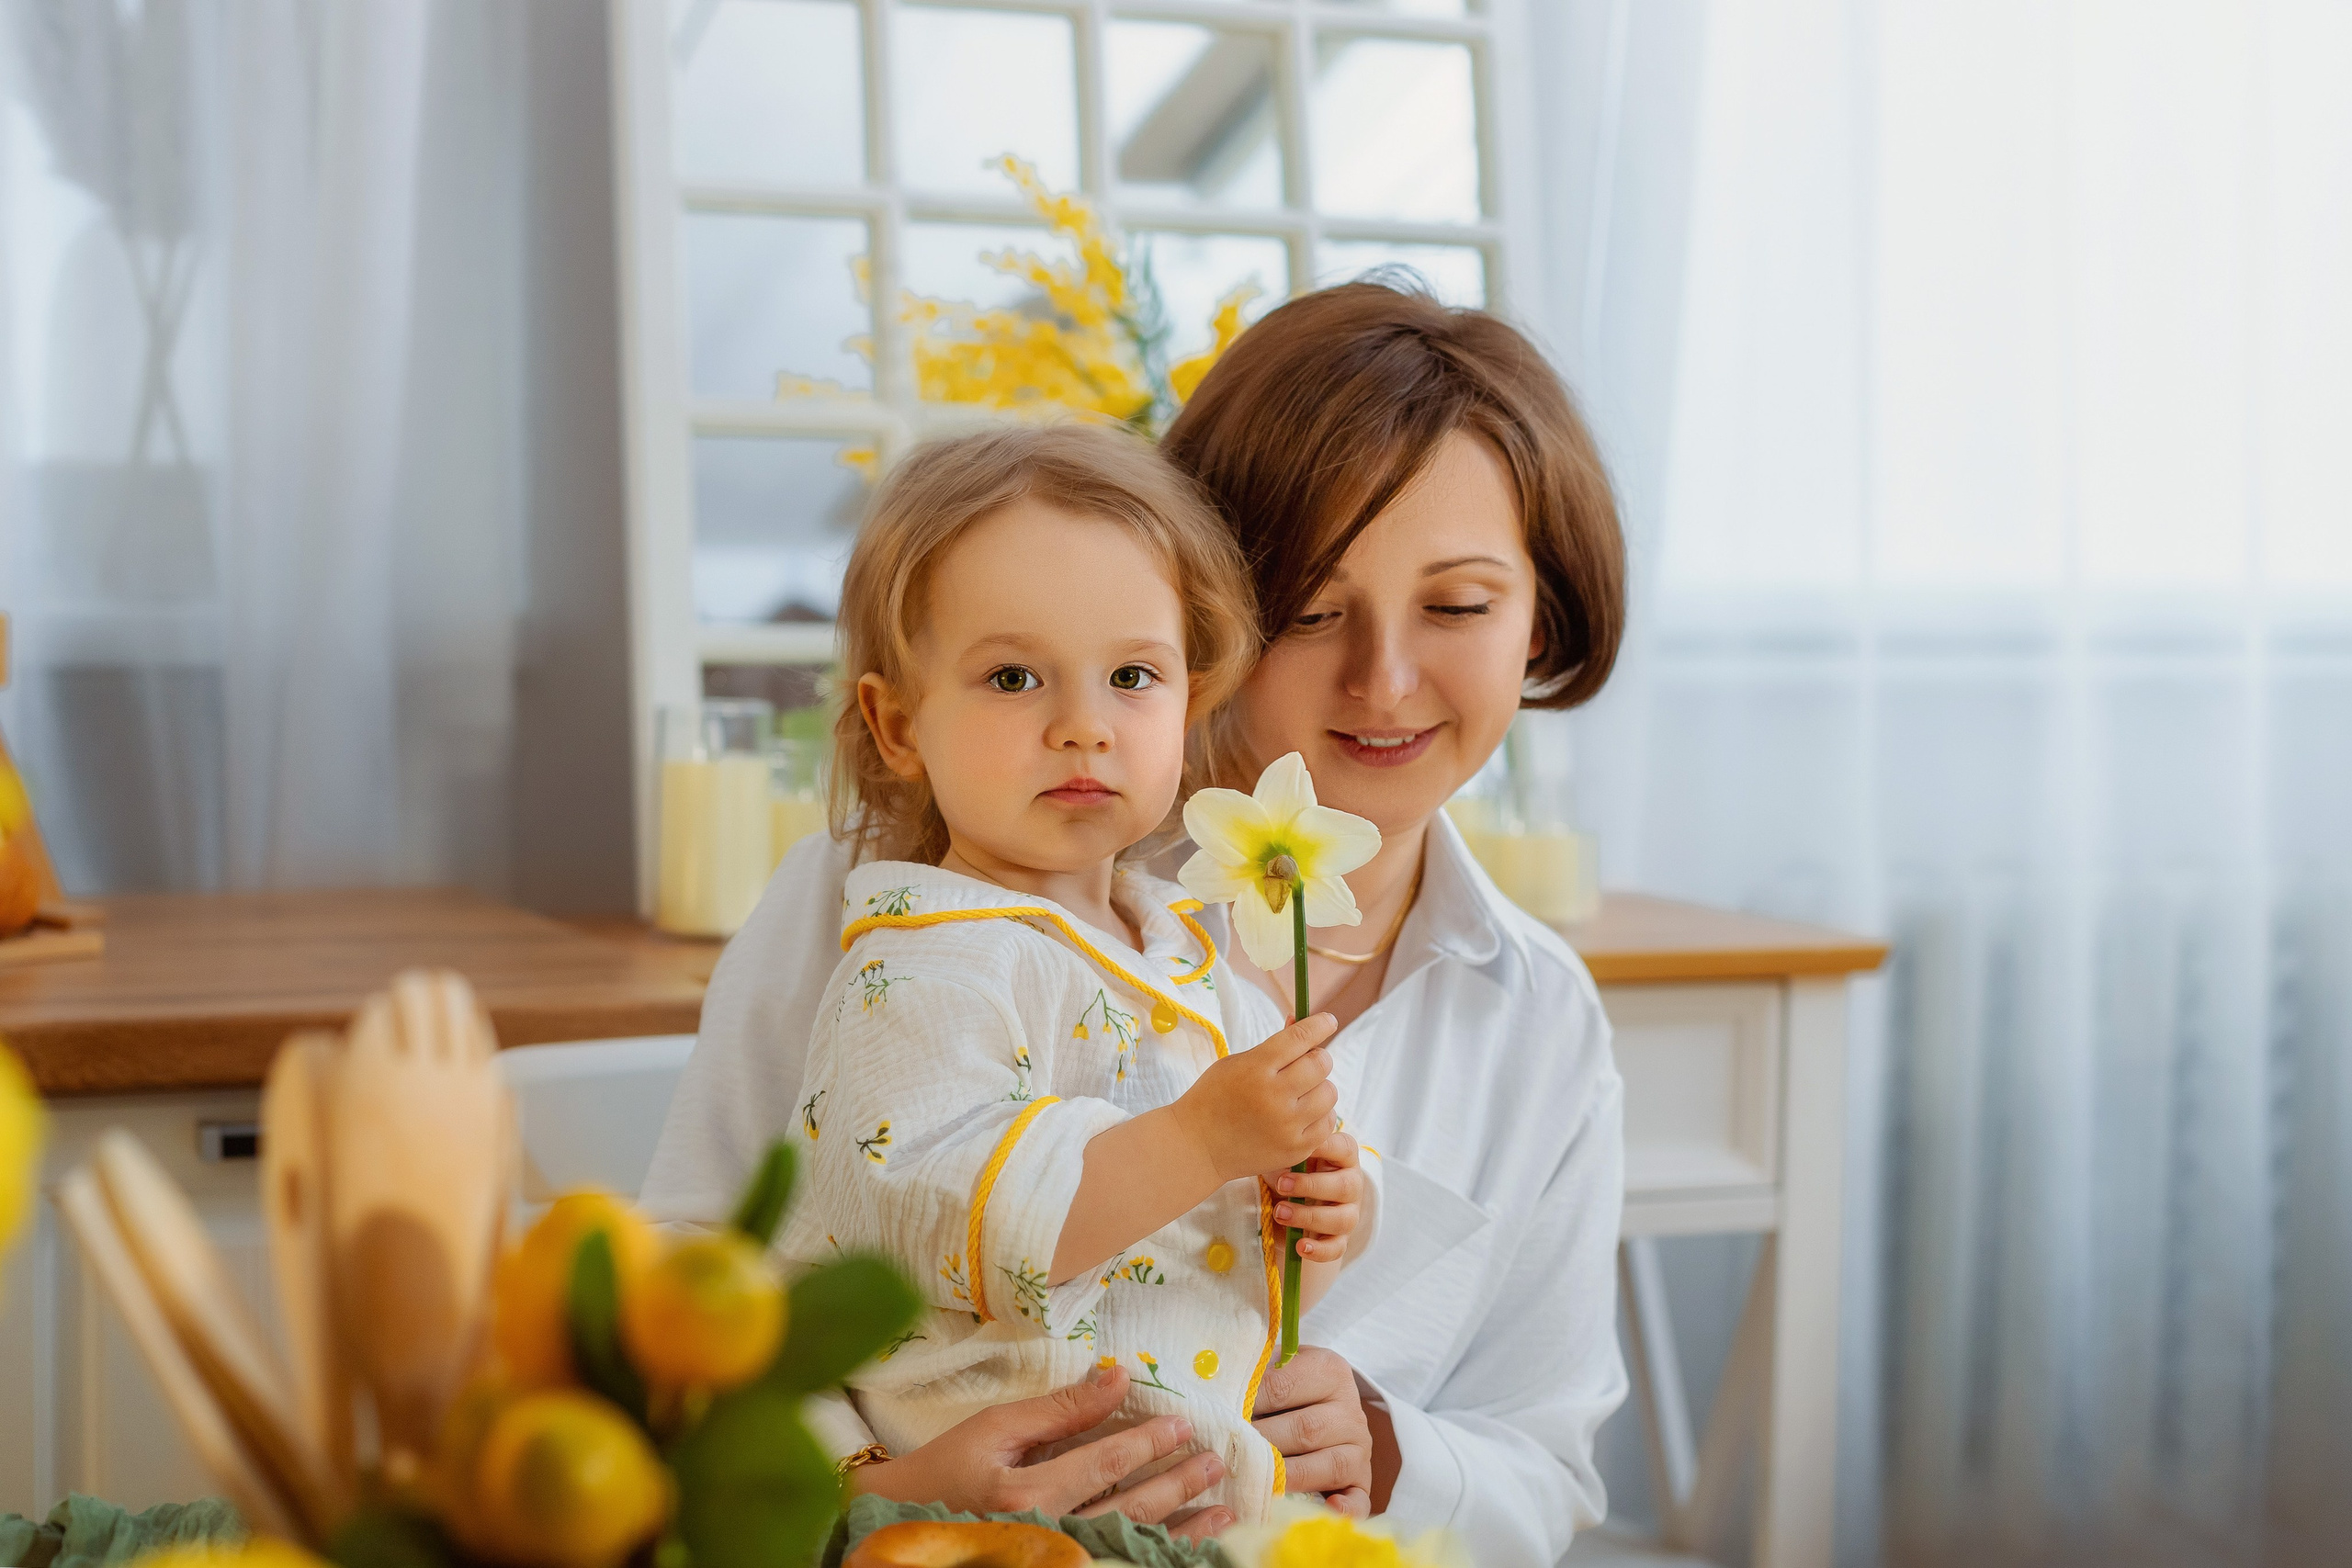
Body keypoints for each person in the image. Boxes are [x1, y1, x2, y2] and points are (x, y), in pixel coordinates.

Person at [643, 280, 1630, 1567]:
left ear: (1538, 619)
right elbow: (685, 1279)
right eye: (1312, 610)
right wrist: (875, 1481)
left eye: (1458, 605)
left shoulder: (1539, 1013)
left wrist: (1397, 1452)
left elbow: (1543, 1469)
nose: (1384, 677)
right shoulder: (895, 886)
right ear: (1206, 611)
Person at [777, 423, 1365, 1524]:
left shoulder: (1194, 961)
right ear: (896, 724)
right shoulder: (924, 968)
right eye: (1013, 676)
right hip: (1013, 1525)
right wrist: (1201, 1141)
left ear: (1187, 708)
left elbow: (1221, 1262)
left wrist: (1324, 1212)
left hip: (1200, 1504)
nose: (1083, 728)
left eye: (1132, 676)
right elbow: (955, 1225)